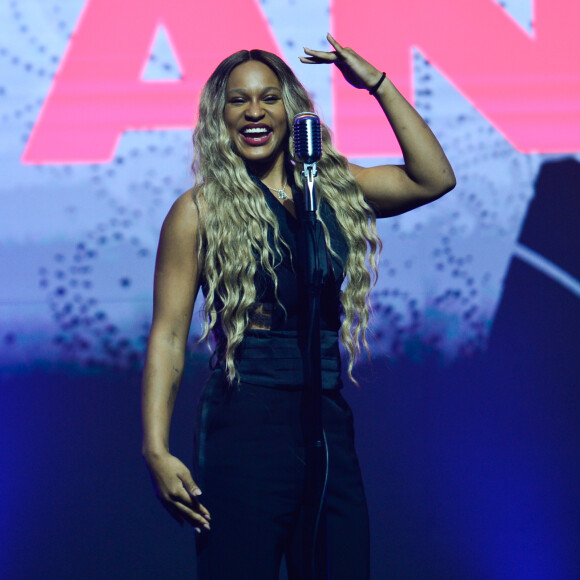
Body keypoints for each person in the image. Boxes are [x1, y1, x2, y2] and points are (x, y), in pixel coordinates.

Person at [141, 34, 455, 580]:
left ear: (292, 109)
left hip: (325, 421)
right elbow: (168, 336)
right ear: (221, 116)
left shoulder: (329, 190)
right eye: (239, 100)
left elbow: (433, 178)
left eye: (269, 96)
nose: (255, 111)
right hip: (245, 425)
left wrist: (376, 85)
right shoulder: (198, 210)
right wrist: (156, 450)